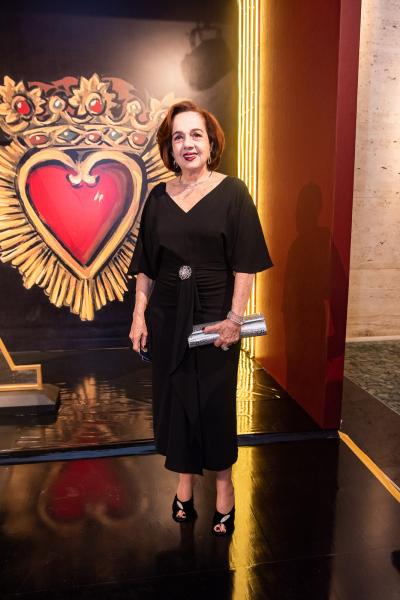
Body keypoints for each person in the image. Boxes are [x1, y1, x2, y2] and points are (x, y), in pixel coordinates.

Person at [128, 100, 272, 536]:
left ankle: (224, 487)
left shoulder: (234, 193)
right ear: (169, 148)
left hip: (214, 317)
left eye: (196, 135)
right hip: (168, 315)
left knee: (213, 403)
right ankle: (184, 484)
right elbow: (147, 265)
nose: (187, 144)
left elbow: (245, 264)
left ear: (211, 143)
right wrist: (139, 317)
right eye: (178, 136)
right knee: (177, 403)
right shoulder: (158, 197)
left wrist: (234, 319)